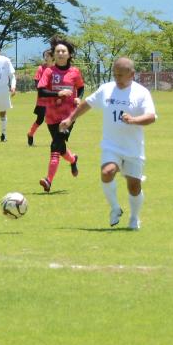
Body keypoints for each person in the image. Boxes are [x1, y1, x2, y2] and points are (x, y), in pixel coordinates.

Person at [64, 54, 157, 230]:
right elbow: (87, 104)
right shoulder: (106, 89)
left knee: (134, 186)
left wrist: (134, 120)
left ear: (132, 74)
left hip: (133, 148)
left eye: (121, 75)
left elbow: (151, 117)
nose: (117, 78)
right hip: (111, 145)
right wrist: (70, 118)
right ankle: (115, 208)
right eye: (115, 74)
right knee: (107, 172)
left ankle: (134, 218)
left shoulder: (141, 92)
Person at [37, 40, 84, 191]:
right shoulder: (49, 72)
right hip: (51, 115)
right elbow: (41, 91)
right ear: (54, 55)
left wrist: (79, 97)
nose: (60, 53)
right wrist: (59, 92)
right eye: (57, 51)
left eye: (63, 51)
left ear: (69, 54)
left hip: (69, 116)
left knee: (55, 146)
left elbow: (81, 87)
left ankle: (48, 180)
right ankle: (73, 159)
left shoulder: (75, 72)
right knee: (61, 148)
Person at [26, 48, 53, 146]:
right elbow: (37, 82)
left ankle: (56, 140)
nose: (46, 58)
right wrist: (43, 92)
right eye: (45, 56)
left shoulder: (56, 69)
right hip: (43, 100)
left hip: (54, 100)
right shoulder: (41, 68)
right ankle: (30, 133)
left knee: (54, 119)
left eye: (48, 56)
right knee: (40, 119)